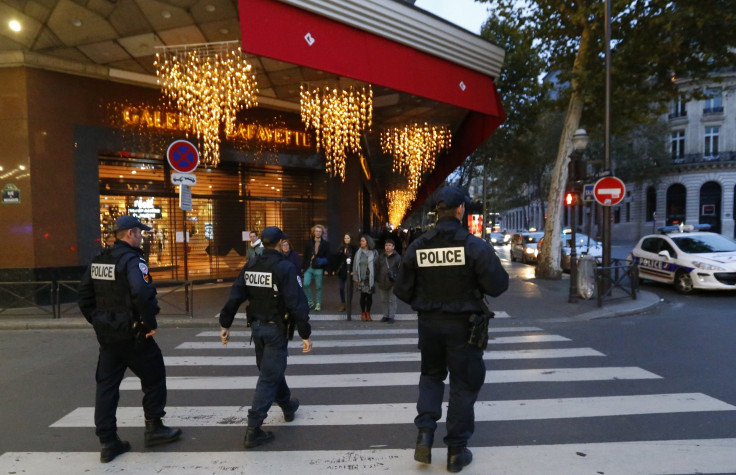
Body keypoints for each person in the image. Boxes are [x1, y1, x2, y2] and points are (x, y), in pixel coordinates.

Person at [393, 186, 509, 473]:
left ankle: (425, 433)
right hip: (464, 328)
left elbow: (402, 289)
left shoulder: (418, 246)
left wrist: (427, 300)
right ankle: (456, 450)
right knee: (463, 385)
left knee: (431, 377)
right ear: (460, 210)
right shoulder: (475, 245)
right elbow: (498, 285)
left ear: (436, 212)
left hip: (429, 324)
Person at [78, 215, 182, 464]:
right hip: (134, 334)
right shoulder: (133, 261)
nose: (141, 237)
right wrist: (149, 324)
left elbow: (84, 296)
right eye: (140, 233)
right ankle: (154, 428)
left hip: (108, 336)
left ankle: (108, 441)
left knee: (106, 386)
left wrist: (100, 321)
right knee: (154, 375)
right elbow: (141, 293)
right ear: (130, 234)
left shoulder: (99, 260)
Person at [219, 226, 313, 448]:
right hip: (275, 329)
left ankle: (288, 406)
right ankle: (253, 428)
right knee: (269, 376)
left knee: (271, 369)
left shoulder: (251, 265)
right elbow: (297, 302)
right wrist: (305, 333)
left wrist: (225, 323)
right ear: (280, 243)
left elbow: (235, 295)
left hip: (257, 329)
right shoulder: (284, 268)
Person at [302, 224, 330, 311]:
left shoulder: (325, 244)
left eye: (319, 231)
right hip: (309, 267)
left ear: (322, 233)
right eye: (316, 231)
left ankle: (318, 303)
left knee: (318, 287)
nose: (318, 233)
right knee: (305, 284)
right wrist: (302, 267)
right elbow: (305, 255)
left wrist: (326, 269)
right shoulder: (308, 243)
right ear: (313, 232)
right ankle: (310, 301)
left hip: (319, 267)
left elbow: (328, 257)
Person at [374, 238, 401, 323]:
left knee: (392, 300)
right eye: (386, 245)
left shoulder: (397, 257)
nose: (387, 247)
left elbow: (400, 269)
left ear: (393, 247)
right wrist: (377, 278)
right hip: (382, 281)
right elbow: (377, 268)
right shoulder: (381, 257)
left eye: (389, 245)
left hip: (393, 282)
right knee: (384, 300)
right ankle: (385, 315)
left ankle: (391, 316)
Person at [352, 234, 377, 321]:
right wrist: (355, 276)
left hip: (370, 277)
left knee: (369, 296)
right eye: (361, 241)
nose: (361, 242)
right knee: (363, 296)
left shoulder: (374, 252)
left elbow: (377, 265)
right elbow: (355, 265)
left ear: (367, 242)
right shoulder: (358, 252)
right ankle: (363, 313)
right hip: (361, 277)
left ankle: (368, 313)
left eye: (363, 241)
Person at [334, 233, 357, 313]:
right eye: (345, 238)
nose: (346, 240)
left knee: (350, 287)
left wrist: (354, 270)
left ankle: (349, 303)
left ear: (351, 239)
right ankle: (343, 303)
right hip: (342, 270)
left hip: (350, 270)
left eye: (348, 238)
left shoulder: (354, 248)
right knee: (341, 287)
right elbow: (337, 259)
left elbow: (355, 260)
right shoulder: (341, 248)